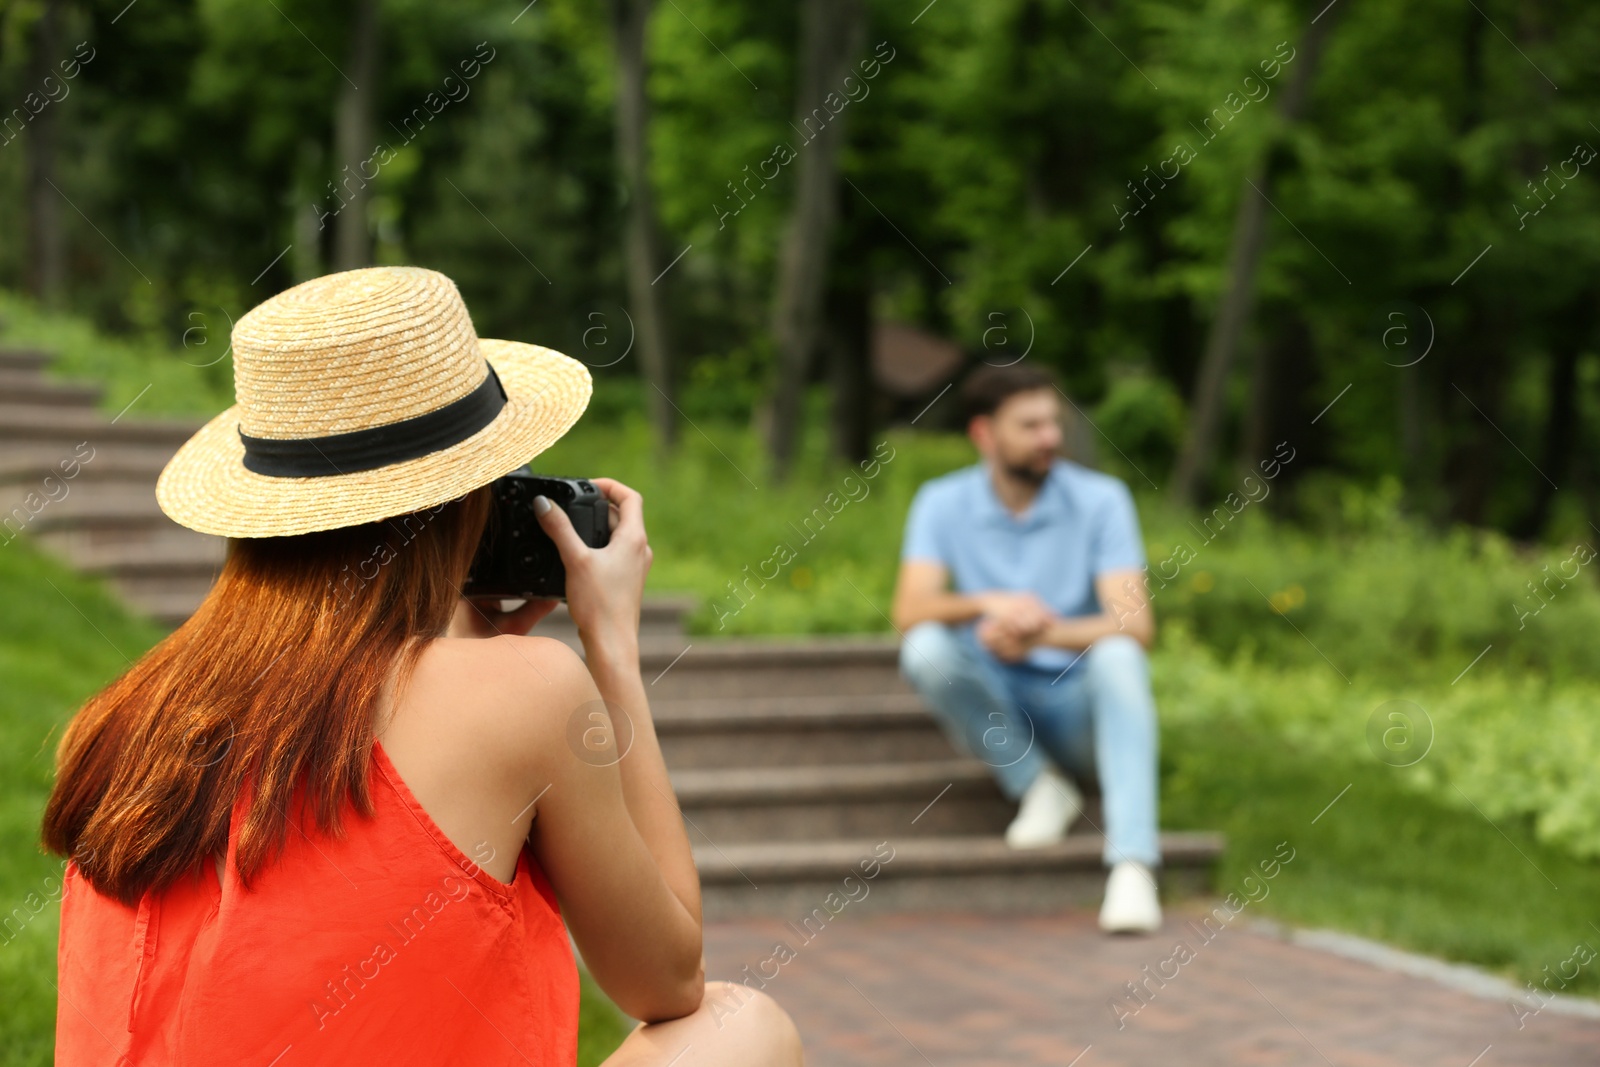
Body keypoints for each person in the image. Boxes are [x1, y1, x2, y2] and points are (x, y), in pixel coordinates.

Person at [42, 267, 803, 1065]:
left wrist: (461, 639)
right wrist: (610, 645)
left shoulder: (125, 718)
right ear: (469, 500)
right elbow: (671, 977)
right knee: (740, 1026)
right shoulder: (527, 692)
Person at [890, 362, 1163, 934]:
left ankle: (1133, 865)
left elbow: (1135, 623)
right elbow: (909, 610)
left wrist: (1042, 635)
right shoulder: (941, 503)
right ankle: (1038, 786)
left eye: (1053, 423)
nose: (1051, 439)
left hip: (1075, 705)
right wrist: (989, 603)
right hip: (997, 698)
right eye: (1030, 425)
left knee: (1120, 655)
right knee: (925, 649)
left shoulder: (1102, 499)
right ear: (984, 434)